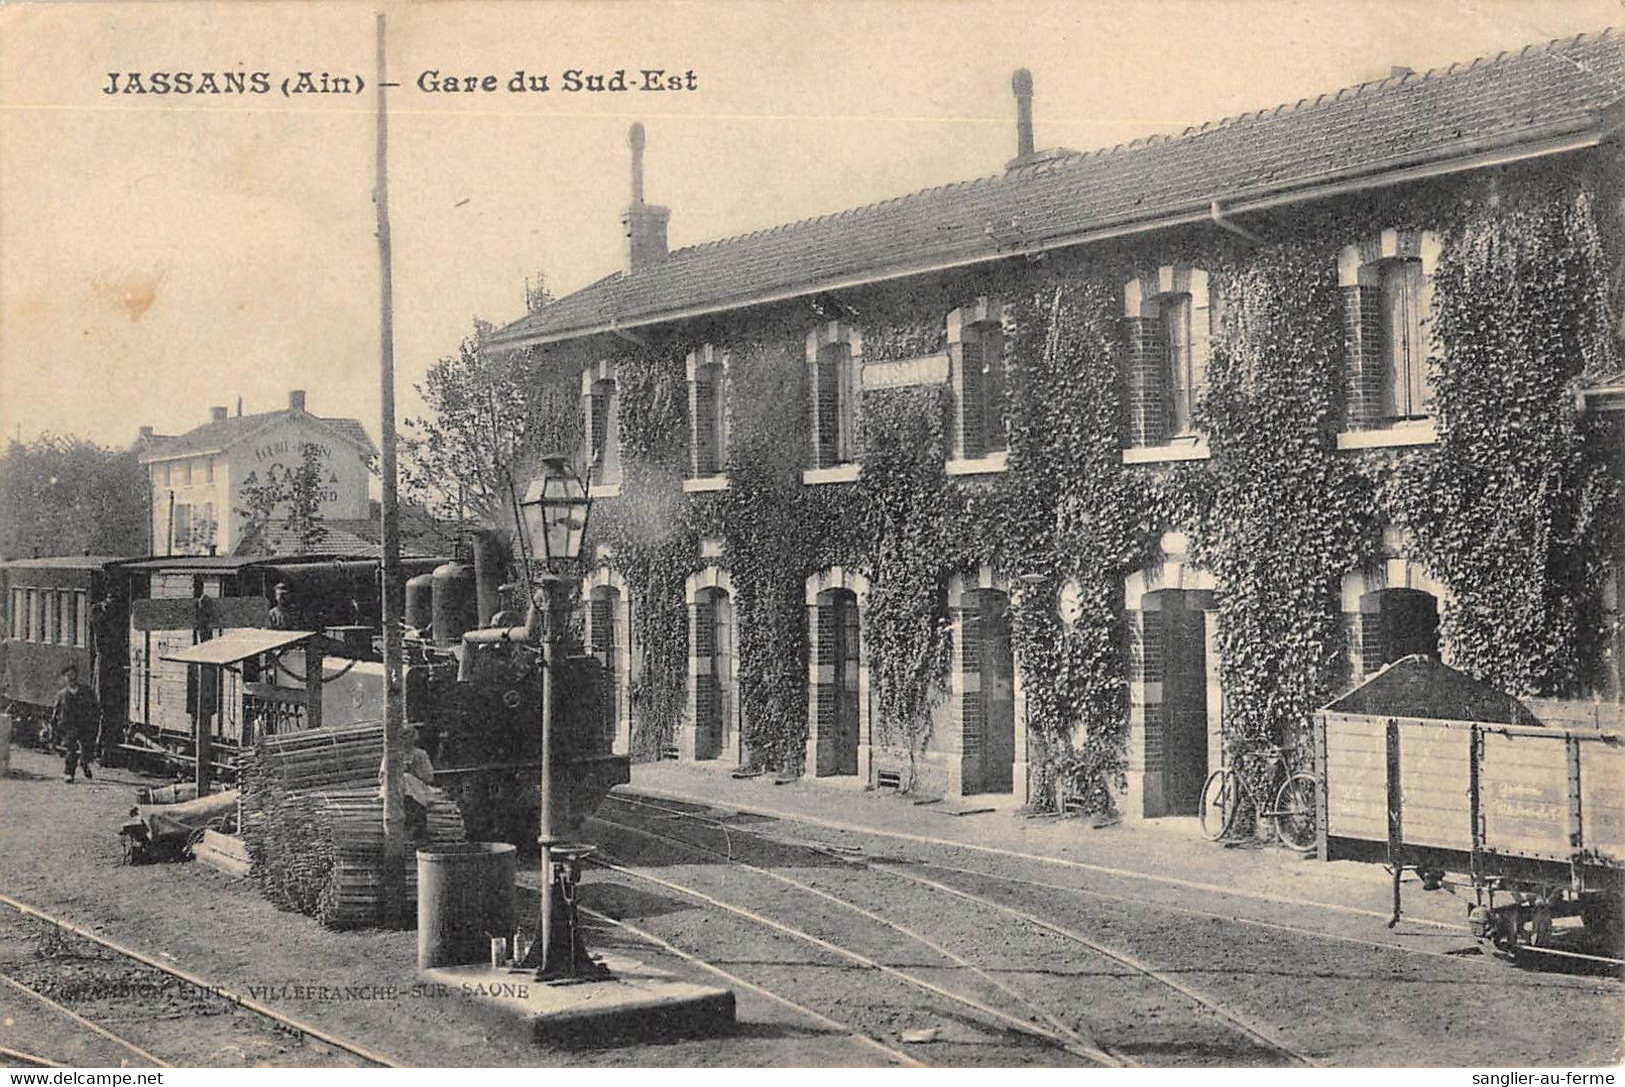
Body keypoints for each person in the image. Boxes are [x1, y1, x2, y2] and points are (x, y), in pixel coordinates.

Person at [51, 663, 101, 783]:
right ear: (64, 678)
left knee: (87, 747)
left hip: (84, 724)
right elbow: (56, 711)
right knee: (71, 749)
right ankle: (69, 773)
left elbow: (95, 706)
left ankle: (84, 763)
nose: (70, 678)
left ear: (76, 676)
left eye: (72, 675)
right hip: (69, 725)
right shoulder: (62, 694)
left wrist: (94, 718)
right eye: (68, 676)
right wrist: (54, 726)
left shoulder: (86, 691)